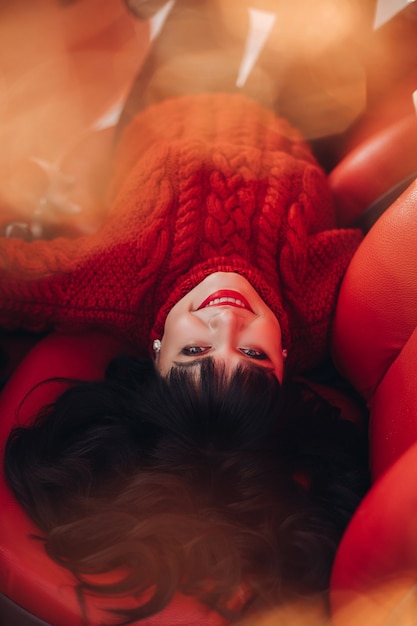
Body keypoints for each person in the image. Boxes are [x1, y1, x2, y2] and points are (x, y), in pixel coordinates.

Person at [0, 2, 368, 623]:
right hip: (298, 119)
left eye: (194, 351)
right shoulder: (315, 304)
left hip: (171, 99)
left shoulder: (120, 281)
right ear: (287, 359)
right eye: (252, 355)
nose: (226, 321)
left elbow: (17, 281)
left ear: (156, 347)